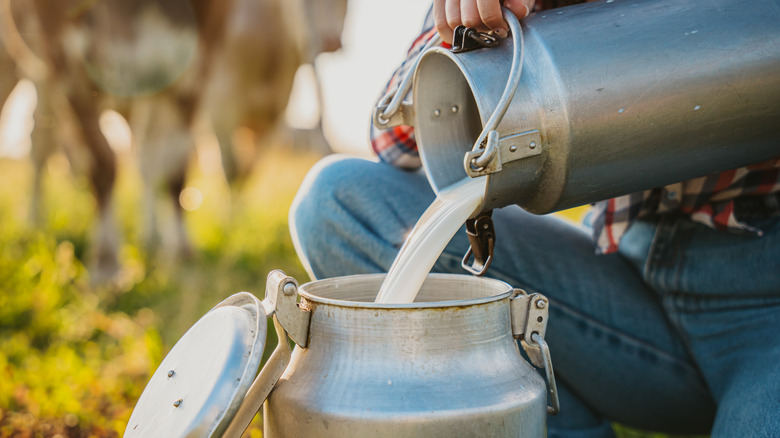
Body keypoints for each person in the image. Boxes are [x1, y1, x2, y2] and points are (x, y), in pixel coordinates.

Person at [289, 0, 780, 436]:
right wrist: (488, 24)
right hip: (626, 289)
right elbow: (396, 140)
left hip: (765, 308)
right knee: (337, 203)